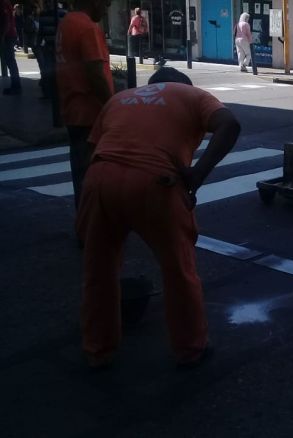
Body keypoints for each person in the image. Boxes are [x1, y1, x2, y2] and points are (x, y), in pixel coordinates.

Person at [77, 67, 241, 368]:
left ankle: (97, 349)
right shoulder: (193, 94)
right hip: (154, 183)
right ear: (183, 85)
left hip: (100, 178)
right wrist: (196, 175)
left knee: (98, 269)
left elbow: (93, 148)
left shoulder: (120, 98)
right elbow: (229, 124)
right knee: (178, 269)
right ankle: (191, 348)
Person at [56, 0, 114, 210]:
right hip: (91, 113)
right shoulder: (88, 28)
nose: (107, 7)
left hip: (74, 109)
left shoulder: (67, 23)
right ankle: (92, 230)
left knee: (81, 173)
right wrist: (112, 106)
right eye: (105, 3)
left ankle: (86, 227)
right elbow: (95, 74)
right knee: (94, 175)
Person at [0, 0, 21, 94]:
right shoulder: (6, 3)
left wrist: (3, 36)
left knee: (10, 60)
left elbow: (7, 21)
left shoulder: (3, 3)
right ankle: (16, 85)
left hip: (8, 36)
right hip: (9, 35)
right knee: (10, 60)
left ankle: (16, 86)